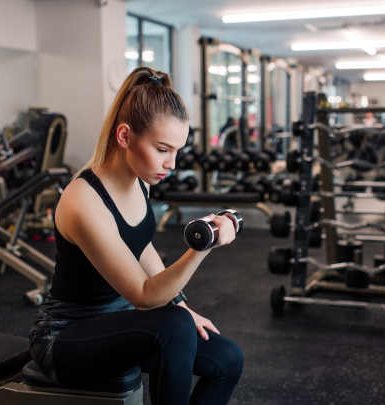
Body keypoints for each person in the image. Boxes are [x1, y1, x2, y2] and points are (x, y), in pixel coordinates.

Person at [29, 67, 244, 405]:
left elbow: (143, 248)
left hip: (121, 321)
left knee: (228, 359)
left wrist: (184, 306)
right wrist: (203, 246)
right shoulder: (83, 202)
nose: (172, 163)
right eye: (163, 149)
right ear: (125, 136)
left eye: (177, 151)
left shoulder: (140, 179)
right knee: (172, 327)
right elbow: (144, 295)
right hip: (65, 338)